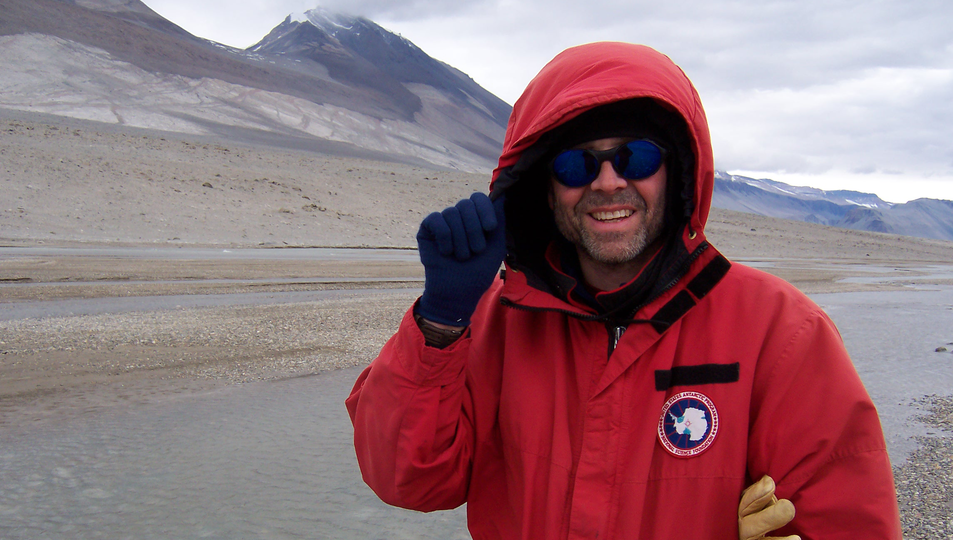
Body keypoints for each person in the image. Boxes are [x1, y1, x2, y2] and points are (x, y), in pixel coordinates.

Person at [346, 42, 901, 539]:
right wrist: (441, 324)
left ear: (677, 172)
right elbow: (408, 481)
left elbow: (851, 519)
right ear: (543, 185)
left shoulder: (780, 333)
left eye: (637, 157)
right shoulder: (495, 323)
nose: (607, 181)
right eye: (575, 163)